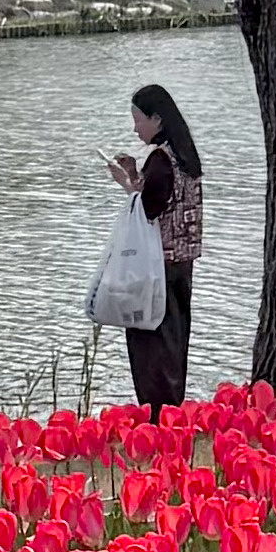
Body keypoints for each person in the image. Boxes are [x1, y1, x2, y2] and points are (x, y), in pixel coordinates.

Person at [107, 82, 204, 418]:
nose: (135, 128)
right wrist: (135, 175)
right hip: (183, 260)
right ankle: (173, 411)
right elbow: (166, 202)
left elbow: (147, 209)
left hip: (156, 265)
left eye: (139, 120)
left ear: (157, 120)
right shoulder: (184, 157)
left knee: (151, 340)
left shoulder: (161, 160)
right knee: (176, 337)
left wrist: (126, 185)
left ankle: (157, 415)